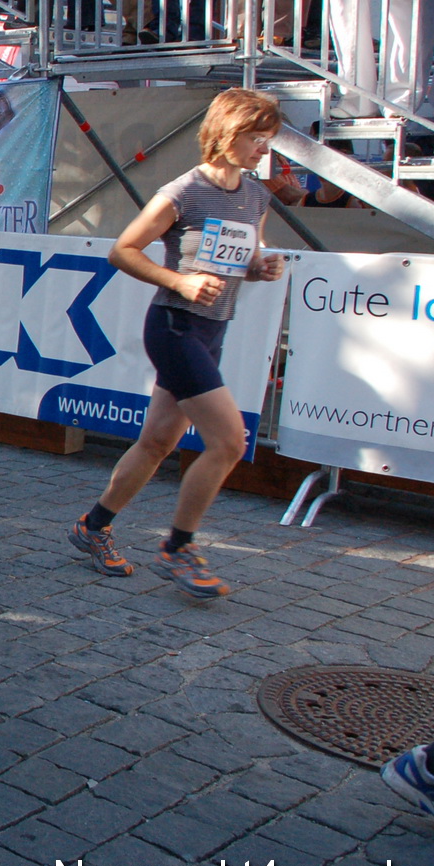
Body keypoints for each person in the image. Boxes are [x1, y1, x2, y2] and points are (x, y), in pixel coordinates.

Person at [65, 88, 285, 596]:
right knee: (230, 441)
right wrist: (179, 281)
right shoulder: (182, 192)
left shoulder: (256, 195)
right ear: (227, 133)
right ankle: (178, 547)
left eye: (267, 138)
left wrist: (260, 268)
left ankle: (93, 527)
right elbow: (122, 251)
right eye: (256, 136)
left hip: (212, 330)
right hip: (174, 327)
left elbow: (244, 259)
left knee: (158, 441)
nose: (262, 148)